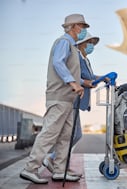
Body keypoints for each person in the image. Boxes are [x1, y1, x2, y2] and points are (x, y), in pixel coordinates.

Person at [20, 14, 89, 184]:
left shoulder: (72, 46)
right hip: (59, 97)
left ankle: (60, 170)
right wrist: (73, 83)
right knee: (49, 133)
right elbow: (58, 63)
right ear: (73, 27)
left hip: (68, 99)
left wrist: (84, 82)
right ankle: (30, 168)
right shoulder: (63, 42)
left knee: (65, 137)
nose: (84, 30)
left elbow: (70, 72)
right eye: (81, 26)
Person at [42, 32, 105, 175]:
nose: (91, 46)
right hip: (74, 97)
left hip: (78, 99)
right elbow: (76, 76)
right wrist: (86, 82)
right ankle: (55, 160)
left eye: (93, 43)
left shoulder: (85, 60)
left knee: (72, 135)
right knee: (73, 135)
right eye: (90, 42)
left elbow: (89, 77)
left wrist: (101, 78)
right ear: (81, 44)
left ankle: (60, 164)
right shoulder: (76, 57)